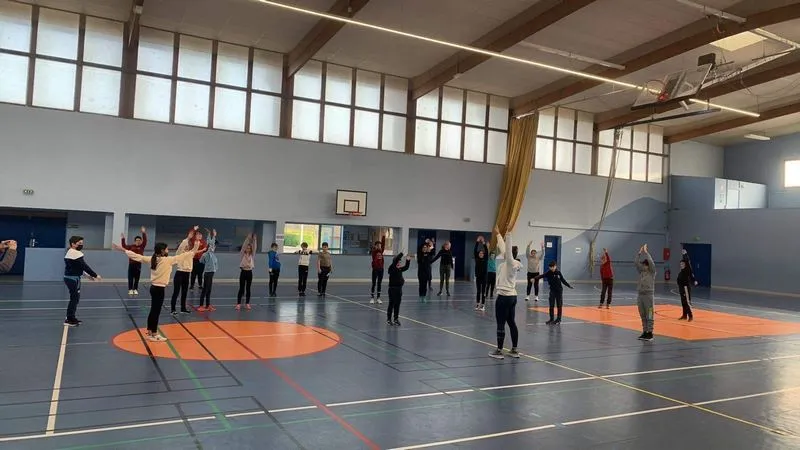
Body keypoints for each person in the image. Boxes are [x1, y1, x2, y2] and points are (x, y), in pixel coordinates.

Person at [113, 240, 200, 341]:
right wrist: (195, 247)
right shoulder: (167, 260)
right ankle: (154, 334)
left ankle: (150, 331)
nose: (168, 250)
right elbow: (184, 256)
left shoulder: (152, 259)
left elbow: (137, 256)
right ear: (163, 251)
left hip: (153, 288)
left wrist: (122, 249)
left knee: (153, 311)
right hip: (159, 290)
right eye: (167, 249)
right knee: (156, 312)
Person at [489, 227, 523, 360]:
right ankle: (514, 350)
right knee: (511, 322)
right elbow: (505, 250)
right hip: (512, 297)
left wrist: (508, 234)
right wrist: (498, 235)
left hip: (504, 297)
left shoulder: (510, 263)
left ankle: (499, 351)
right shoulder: (512, 264)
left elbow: (507, 251)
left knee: (501, 323)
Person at [63, 236, 101, 327]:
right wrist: (95, 275)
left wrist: (87, 276)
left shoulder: (72, 253)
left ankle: (72, 317)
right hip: (72, 279)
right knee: (74, 298)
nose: (81, 245)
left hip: (74, 278)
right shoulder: (74, 253)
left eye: (82, 243)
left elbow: (78, 267)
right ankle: (69, 319)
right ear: (73, 244)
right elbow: (84, 266)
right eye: (79, 243)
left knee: (75, 298)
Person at [535, 261, 573, 325]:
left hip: (559, 291)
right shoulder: (548, 273)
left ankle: (558, 319)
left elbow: (563, 280)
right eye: (551, 267)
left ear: (555, 266)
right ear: (549, 267)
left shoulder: (558, 273)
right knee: (551, 305)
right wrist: (535, 278)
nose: (552, 268)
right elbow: (542, 276)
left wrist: (568, 285)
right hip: (552, 291)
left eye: (553, 267)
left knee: (559, 305)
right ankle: (551, 319)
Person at [170, 227, 198, 315]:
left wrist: (196, 239)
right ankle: (173, 309)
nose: (187, 247)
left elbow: (195, 247)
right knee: (176, 292)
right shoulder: (179, 253)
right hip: (179, 273)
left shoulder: (191, 253)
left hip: (187, 274)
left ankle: (183, 308)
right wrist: (190, 234)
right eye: (186, 246)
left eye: (188, 246)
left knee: (184, 292)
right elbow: (184, 243)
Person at [635, 244, 656, 341]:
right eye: (643, 265)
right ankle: (644, 331)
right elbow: (636, 263)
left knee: (650, 314)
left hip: (648, 295)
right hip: (640, 295)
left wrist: (646, 252)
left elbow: (651, 262)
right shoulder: (641, 272)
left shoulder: (652, 272)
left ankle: (650, 332)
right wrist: (639, 253)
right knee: (642, 314)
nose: (643, 266)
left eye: (645, 265)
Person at [387, 252, 412, 326]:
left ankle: (396, 319)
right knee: (391, 304)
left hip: (399, 289)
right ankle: (389, 319)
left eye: (400, 262)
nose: (399, 263)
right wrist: (401, 253)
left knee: (397, 304)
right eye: (398, 262)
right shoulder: (392, 268)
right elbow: (396, 260)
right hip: (392, 289)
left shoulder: (400, 269)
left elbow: (406, 267)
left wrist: (408, 260)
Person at [120, 227, 147, 296]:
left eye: (139, 240)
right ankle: (130, 290)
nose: (138, 241)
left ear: (141, 241)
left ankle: (135, 289)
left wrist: (143, 232)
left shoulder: (142, 246)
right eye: (137, 240)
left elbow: (145, 240)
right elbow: (124, 246)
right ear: (135, 241)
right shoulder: (131, 247)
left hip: (138, 265)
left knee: (137, 278)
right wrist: (123, 238)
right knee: (130, 278)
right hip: (131, 264)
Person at [198, 229, 218, 312]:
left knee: (209, 289)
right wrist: (211, 235)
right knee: (205, 289)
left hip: (211, 273)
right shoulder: (206, 254)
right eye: (212, 246)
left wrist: (213, 236)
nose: (214, 247)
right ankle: (201, 305)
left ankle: (208, 305)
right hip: (207, 273)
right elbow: (201, 261)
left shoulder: (213, 254)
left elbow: (211, 243)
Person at [236, 233, 256, 310]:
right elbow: (243, 246)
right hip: (243, 272)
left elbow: (254, 247)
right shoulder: (242, 254)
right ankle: (238, 304)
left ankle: (247, 303)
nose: (248, 249)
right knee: (241, 288)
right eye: (247, 248)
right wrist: (247, 239)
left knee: (248, 288)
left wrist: (254, 240)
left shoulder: (252, 255)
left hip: (249, 272)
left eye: (249, 248)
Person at [474, 235, 489, 311]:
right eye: (480, 253)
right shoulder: (477, 259)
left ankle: (483, 305)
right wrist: (477, 241)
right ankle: (477, 304)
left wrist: (483, 243)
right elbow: (475, 250)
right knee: (478, 291)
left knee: (483, 291)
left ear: (483, 255)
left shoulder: (485, 259)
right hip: (478, 277)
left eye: (482, 253)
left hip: (484, 278)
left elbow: (486, 250)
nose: (481, 254)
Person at [370, 236, 386, 304]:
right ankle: (372, 298)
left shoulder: (381, 251)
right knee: (374, 283)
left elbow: (383, 245)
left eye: (380, 245)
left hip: (381, 270)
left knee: (379, 283)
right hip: (375, 270)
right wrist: (375, 247)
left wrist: (383, 237)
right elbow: (375, 249)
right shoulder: (374, 252)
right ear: (375, 246)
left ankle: (378, 298)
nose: (379, 246)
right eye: (378, 245)